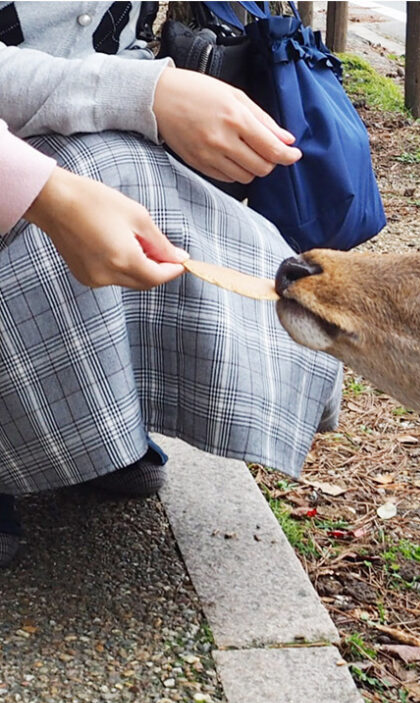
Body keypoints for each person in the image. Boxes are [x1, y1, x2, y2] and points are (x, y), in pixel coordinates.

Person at [0, 3, 344, 567]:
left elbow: (115, 46)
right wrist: (144, 95)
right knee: (100, 188)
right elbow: (119, 80)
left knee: (178, 216)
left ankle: (95, 422)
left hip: (72, 136)